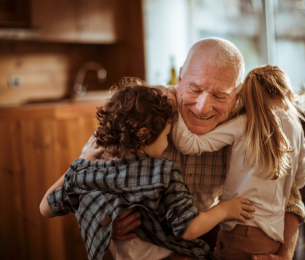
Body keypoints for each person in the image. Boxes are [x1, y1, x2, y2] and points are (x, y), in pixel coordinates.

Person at [82, 38, 305, 260]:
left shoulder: (247, 121)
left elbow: (289, 194)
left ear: (237, 96)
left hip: (206, 235)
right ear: (180, 78)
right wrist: (106, 222)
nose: (202, 107)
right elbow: (82, 181)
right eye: (195, 89)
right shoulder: (142, 109)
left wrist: (284, 254)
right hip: (144, 245)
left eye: (220, 95)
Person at [40, 78, 255, 260]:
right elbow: (188, 228)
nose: (167, 142)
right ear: (143, 135)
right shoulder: (162, 173)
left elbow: (45, 208)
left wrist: (80, 164)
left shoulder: (89, 169)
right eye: (165, 135)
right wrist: (226, 209)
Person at [170, 65, 305, 259]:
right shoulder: (296, 128)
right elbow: (300, 181)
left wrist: (173, 105)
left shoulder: (243, 123)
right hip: (274, 234)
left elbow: (188, 144)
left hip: (240, 228)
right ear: (286, 92)